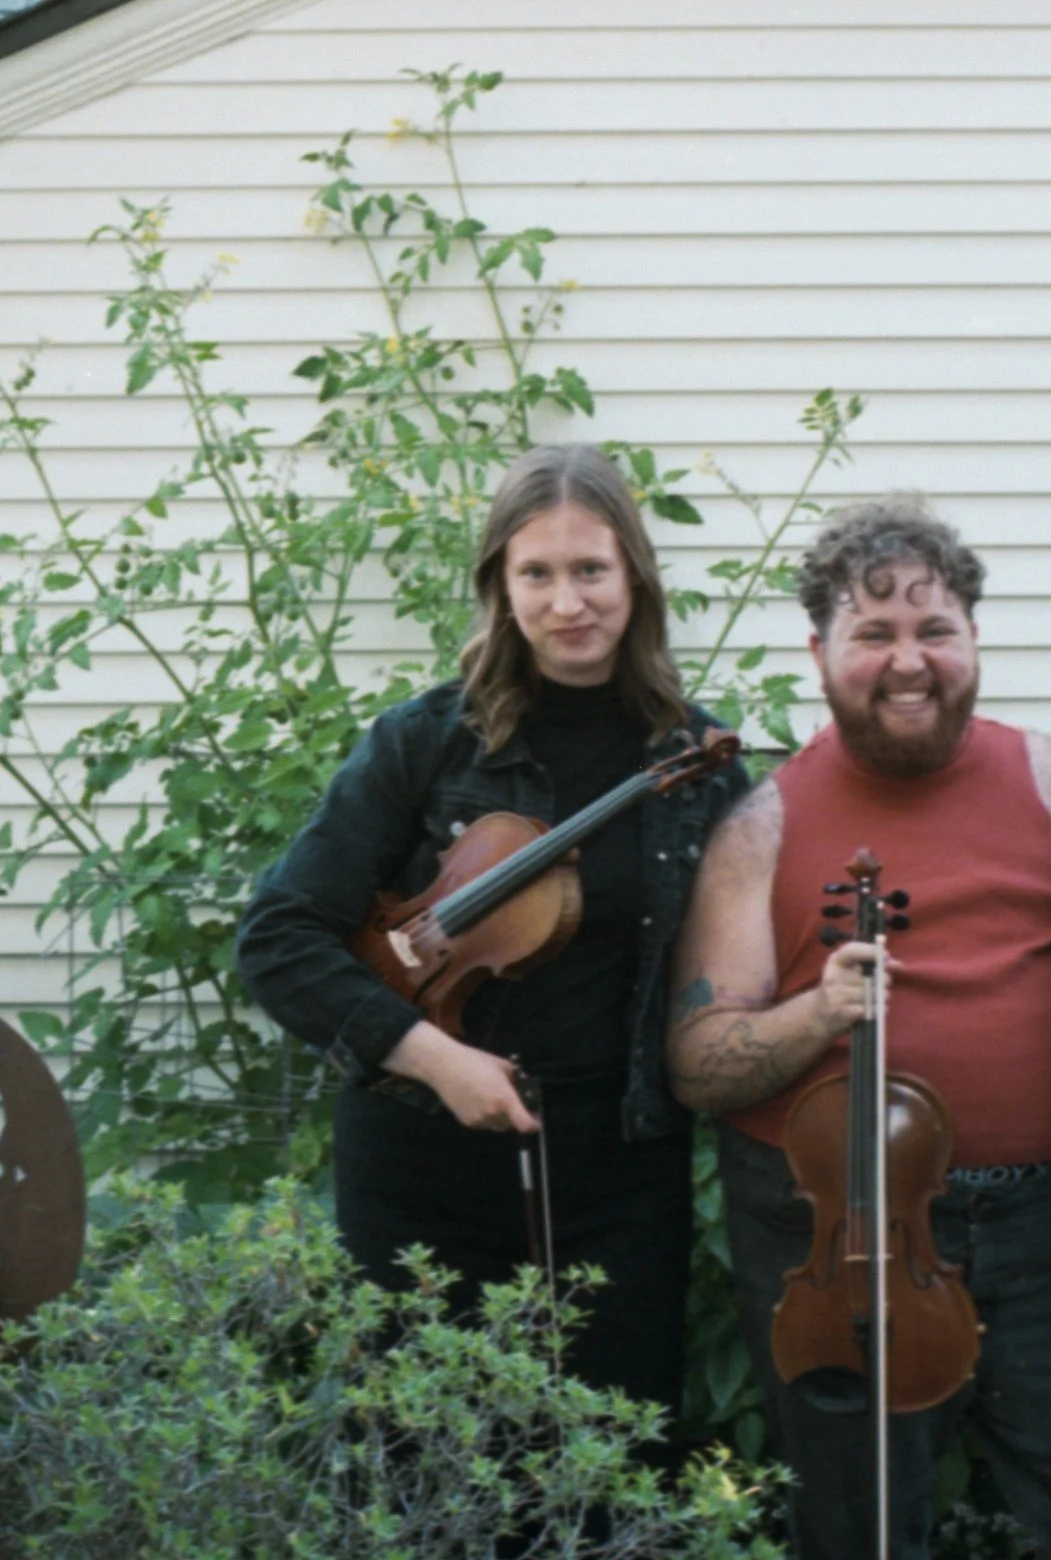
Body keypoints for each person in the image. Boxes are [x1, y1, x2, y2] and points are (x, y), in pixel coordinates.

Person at [667, 497, 1051, 1560]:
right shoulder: (760, 825)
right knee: (860, 1555)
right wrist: (815, 1014)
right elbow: (698, 1062)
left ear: (974, 638)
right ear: (819, 654)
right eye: (872, 633)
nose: (908, 660)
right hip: (835, 1236)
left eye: (935, 627)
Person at [235, 443, 748, 1418]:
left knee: (611, 1468)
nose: (568, 602)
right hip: (422, 1169)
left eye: (590, 570)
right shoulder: (423, 744)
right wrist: (433, 1056)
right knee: (430, 1482)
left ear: (633, 577)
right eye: (538, 574)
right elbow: (280, 938)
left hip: (623, 1176)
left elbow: (747, 967)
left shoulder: (699, 763)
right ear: (499, 587)